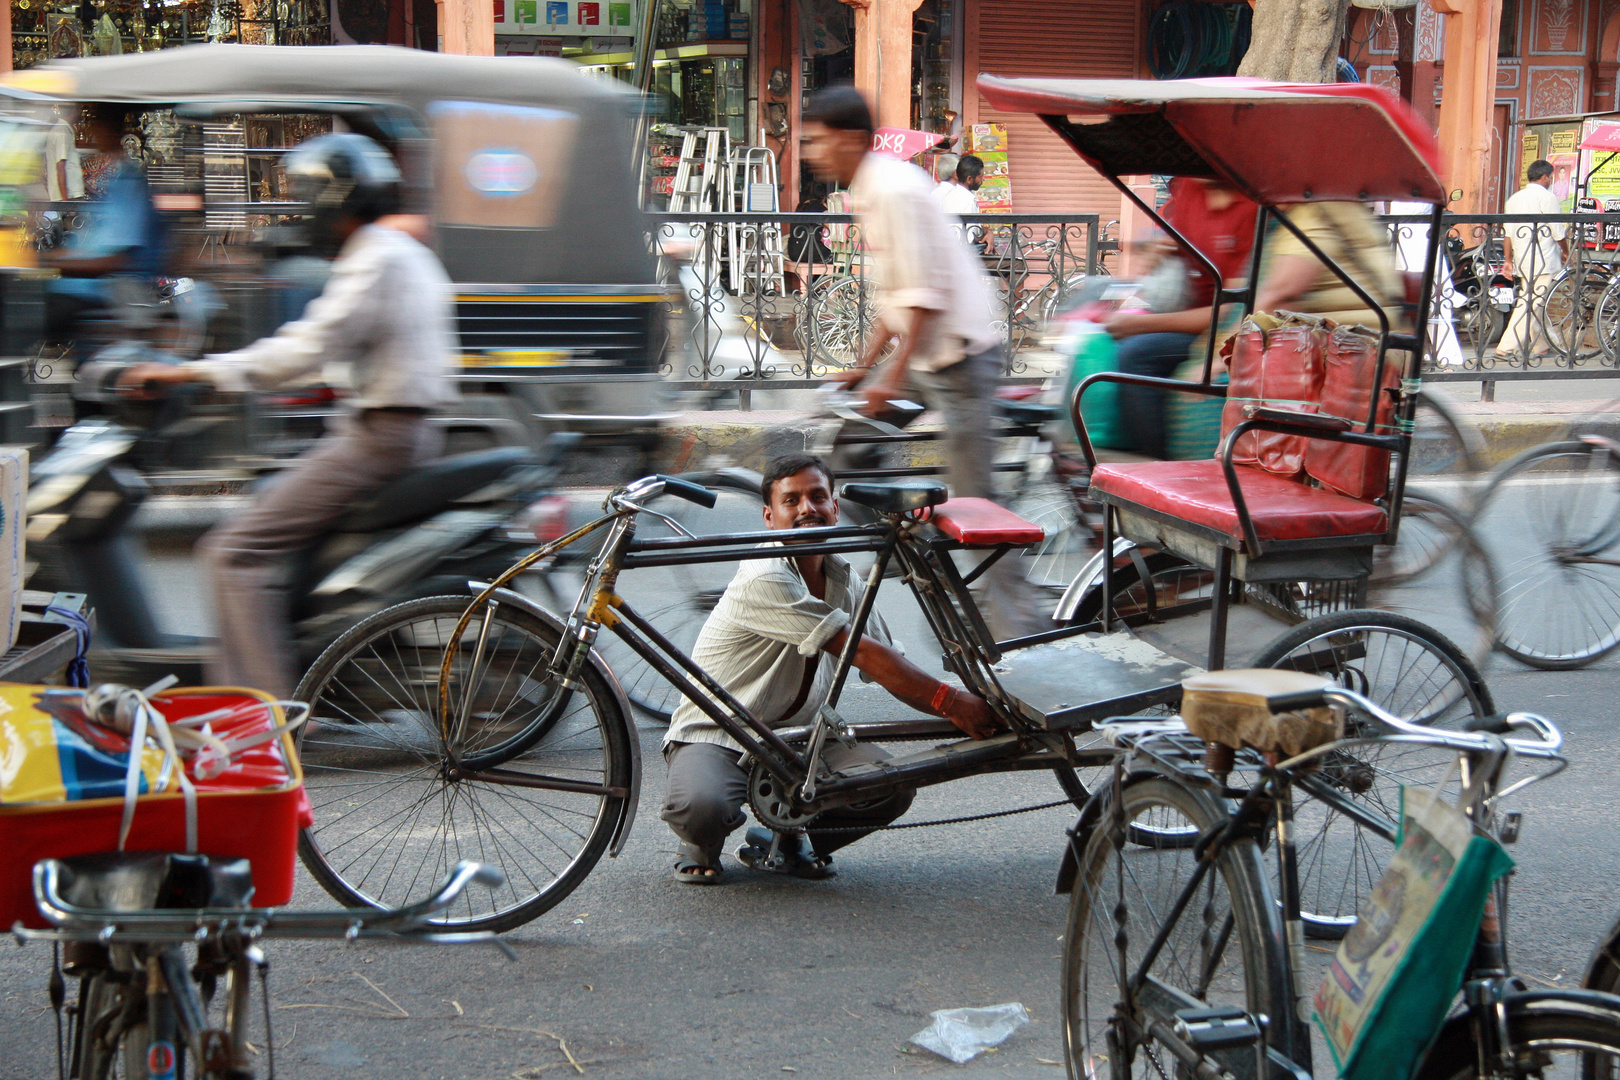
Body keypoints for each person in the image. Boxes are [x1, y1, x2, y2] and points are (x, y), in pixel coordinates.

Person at [118, 133, 454, 698]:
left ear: (336, 200)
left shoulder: (376, 257)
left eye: (307, 196)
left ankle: (267, 718)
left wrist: (192, 373)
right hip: (387, 429)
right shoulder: (396, 251)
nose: (302, 211)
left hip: (380, 436)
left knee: (230, 553)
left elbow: (306, 348)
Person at [660, 453, 1002, 884]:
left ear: (834, 508)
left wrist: (979, 698)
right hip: (722, 733)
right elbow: (862, 652)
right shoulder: (764, 575)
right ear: (770, 516)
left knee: (891, 785)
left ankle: (783, 837)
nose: (808, 509)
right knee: (703, 808)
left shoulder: (844, 577)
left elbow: (889, 661)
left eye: (818, 497)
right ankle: (698, 842)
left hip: (803, 740)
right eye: (792, 500)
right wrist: (950, 702)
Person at [804, 84, 1042, 637]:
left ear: (852, 139)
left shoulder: (893, 190)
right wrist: (864, 366)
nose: (812, 153)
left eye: (817, 141)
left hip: (959, 358)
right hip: (925, 354)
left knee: (979, 503)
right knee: (852, 449)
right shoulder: (869, 188)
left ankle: (1018, 628)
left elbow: (925, 299)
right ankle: (916, 542)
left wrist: (886, 376)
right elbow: (897, 294)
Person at [1103, 177, 1257, 458]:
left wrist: (1140, 325)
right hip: (1189, 311)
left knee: (1138, 354)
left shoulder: (1250, 207)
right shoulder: (1189, 188)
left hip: (1230, 328)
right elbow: (1164, 245)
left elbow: (1230, 311)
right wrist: (1155, 254)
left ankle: (1162, 464)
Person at [41, 105, 166, 357]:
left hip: (109, 290)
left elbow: (115, 259)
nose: (90, 133)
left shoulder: (129, 183)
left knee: (27, 311)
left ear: (109, 131)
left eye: (96, 126)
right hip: (90, 285)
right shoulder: (118, 180)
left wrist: (50, 260)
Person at [1499, 159, 1567, 361]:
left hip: (1522, 257)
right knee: (1531, 303)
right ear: (1545, 177)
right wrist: (1566, 251)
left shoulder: (1514, 199)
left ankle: (1543, 344)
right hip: (1543, 257)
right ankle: (1507, 346)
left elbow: (1508, 234)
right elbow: (1558, 231)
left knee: (1534, 301)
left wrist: (1508, 260)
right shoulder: (1547, 197)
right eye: (1550, 177)